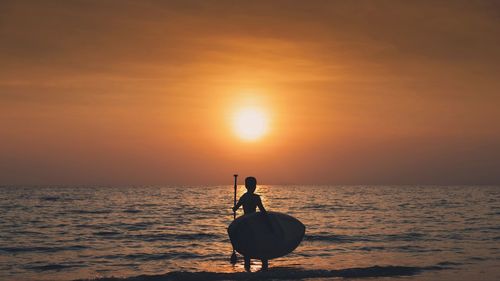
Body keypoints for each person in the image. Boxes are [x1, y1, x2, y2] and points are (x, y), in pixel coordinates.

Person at [232, 176, 269, 272]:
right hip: (255, 224)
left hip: (245, 225)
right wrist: (268, 220)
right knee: (261, 246)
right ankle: (264, 268)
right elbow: (262, 211)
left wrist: (234, 208)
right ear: (254, 186)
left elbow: (235, 208)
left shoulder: (244, 197)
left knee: (247, 248)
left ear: (245, 186)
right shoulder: (256, 198)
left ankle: (247, 269)